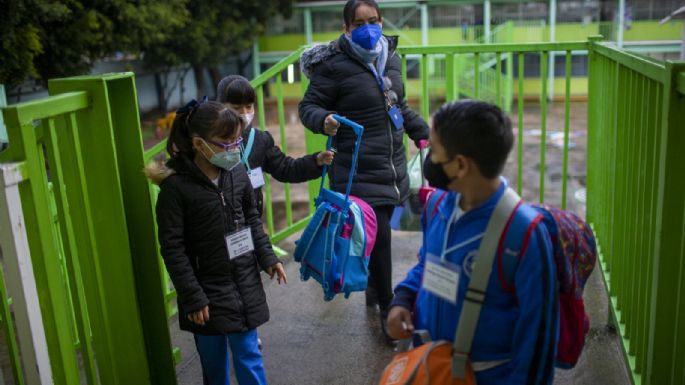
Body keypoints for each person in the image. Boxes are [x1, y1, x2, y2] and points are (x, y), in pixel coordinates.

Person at [386, 100, 559, 384]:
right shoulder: (436, 205)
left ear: (461, 165)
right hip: (433, 367)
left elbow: (538, 338)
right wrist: (403, 298)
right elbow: (427, 263)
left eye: (436, 151)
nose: (430, 159)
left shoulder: (524, 233)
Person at [298, 0, 429, 339]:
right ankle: (388, 308)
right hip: (355, 167)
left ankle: (374, 290)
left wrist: (424, 133)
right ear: (346, 28)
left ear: (381, 21)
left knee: (376, 236)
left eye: (373, 20)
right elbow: (308, 106)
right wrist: (322, 121)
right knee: (381, 235)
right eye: (359, 23)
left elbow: (397, 106)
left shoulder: (391, 57)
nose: (368, 28)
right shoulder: (333, 65)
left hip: (390, 164)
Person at [147, 100, 287, 385]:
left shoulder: (237, 173)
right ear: (199, 143)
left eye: (237, 139)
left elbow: (251, 218)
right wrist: (193, 296)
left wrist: (267, 256)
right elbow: (173, 249)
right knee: (214, 366)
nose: (235, 147)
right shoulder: (175, 190)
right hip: (205, 293)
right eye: (226, 141)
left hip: (244, 281)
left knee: (249, 355)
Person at [215, 75, 335, 216]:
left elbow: (285, 168)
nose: (244, 114)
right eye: (236, 108)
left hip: (250, 222)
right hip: (216, 222)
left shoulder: (259, 140)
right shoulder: (209, 142)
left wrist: (316, 162)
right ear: (221, 106)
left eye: (249, 107)